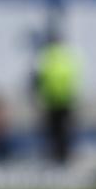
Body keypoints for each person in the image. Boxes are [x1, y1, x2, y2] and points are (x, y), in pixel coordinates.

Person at [33, 31, 79, 163]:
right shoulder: (68, 55)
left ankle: (56, 154)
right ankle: (64, 154)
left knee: (53, 129)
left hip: (51, 99)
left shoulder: (45, 56)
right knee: (65, 129)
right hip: (66, 98)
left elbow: (39, 77)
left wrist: (38, 94)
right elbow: (74, 76)